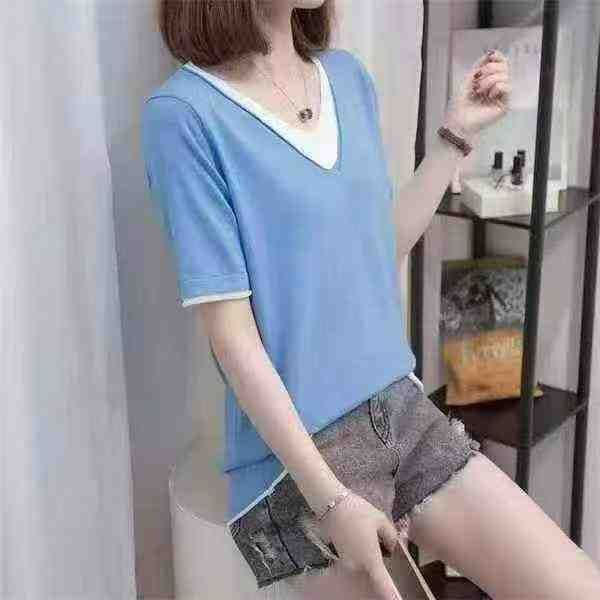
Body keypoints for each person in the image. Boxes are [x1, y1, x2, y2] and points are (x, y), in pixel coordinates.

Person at [140, 1, 600, 598]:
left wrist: (456, 134)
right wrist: (331, 500)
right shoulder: (184, 115)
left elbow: (378, 252)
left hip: (400, 410)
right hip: (299, 458)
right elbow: (234, 341)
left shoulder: (346, 78)